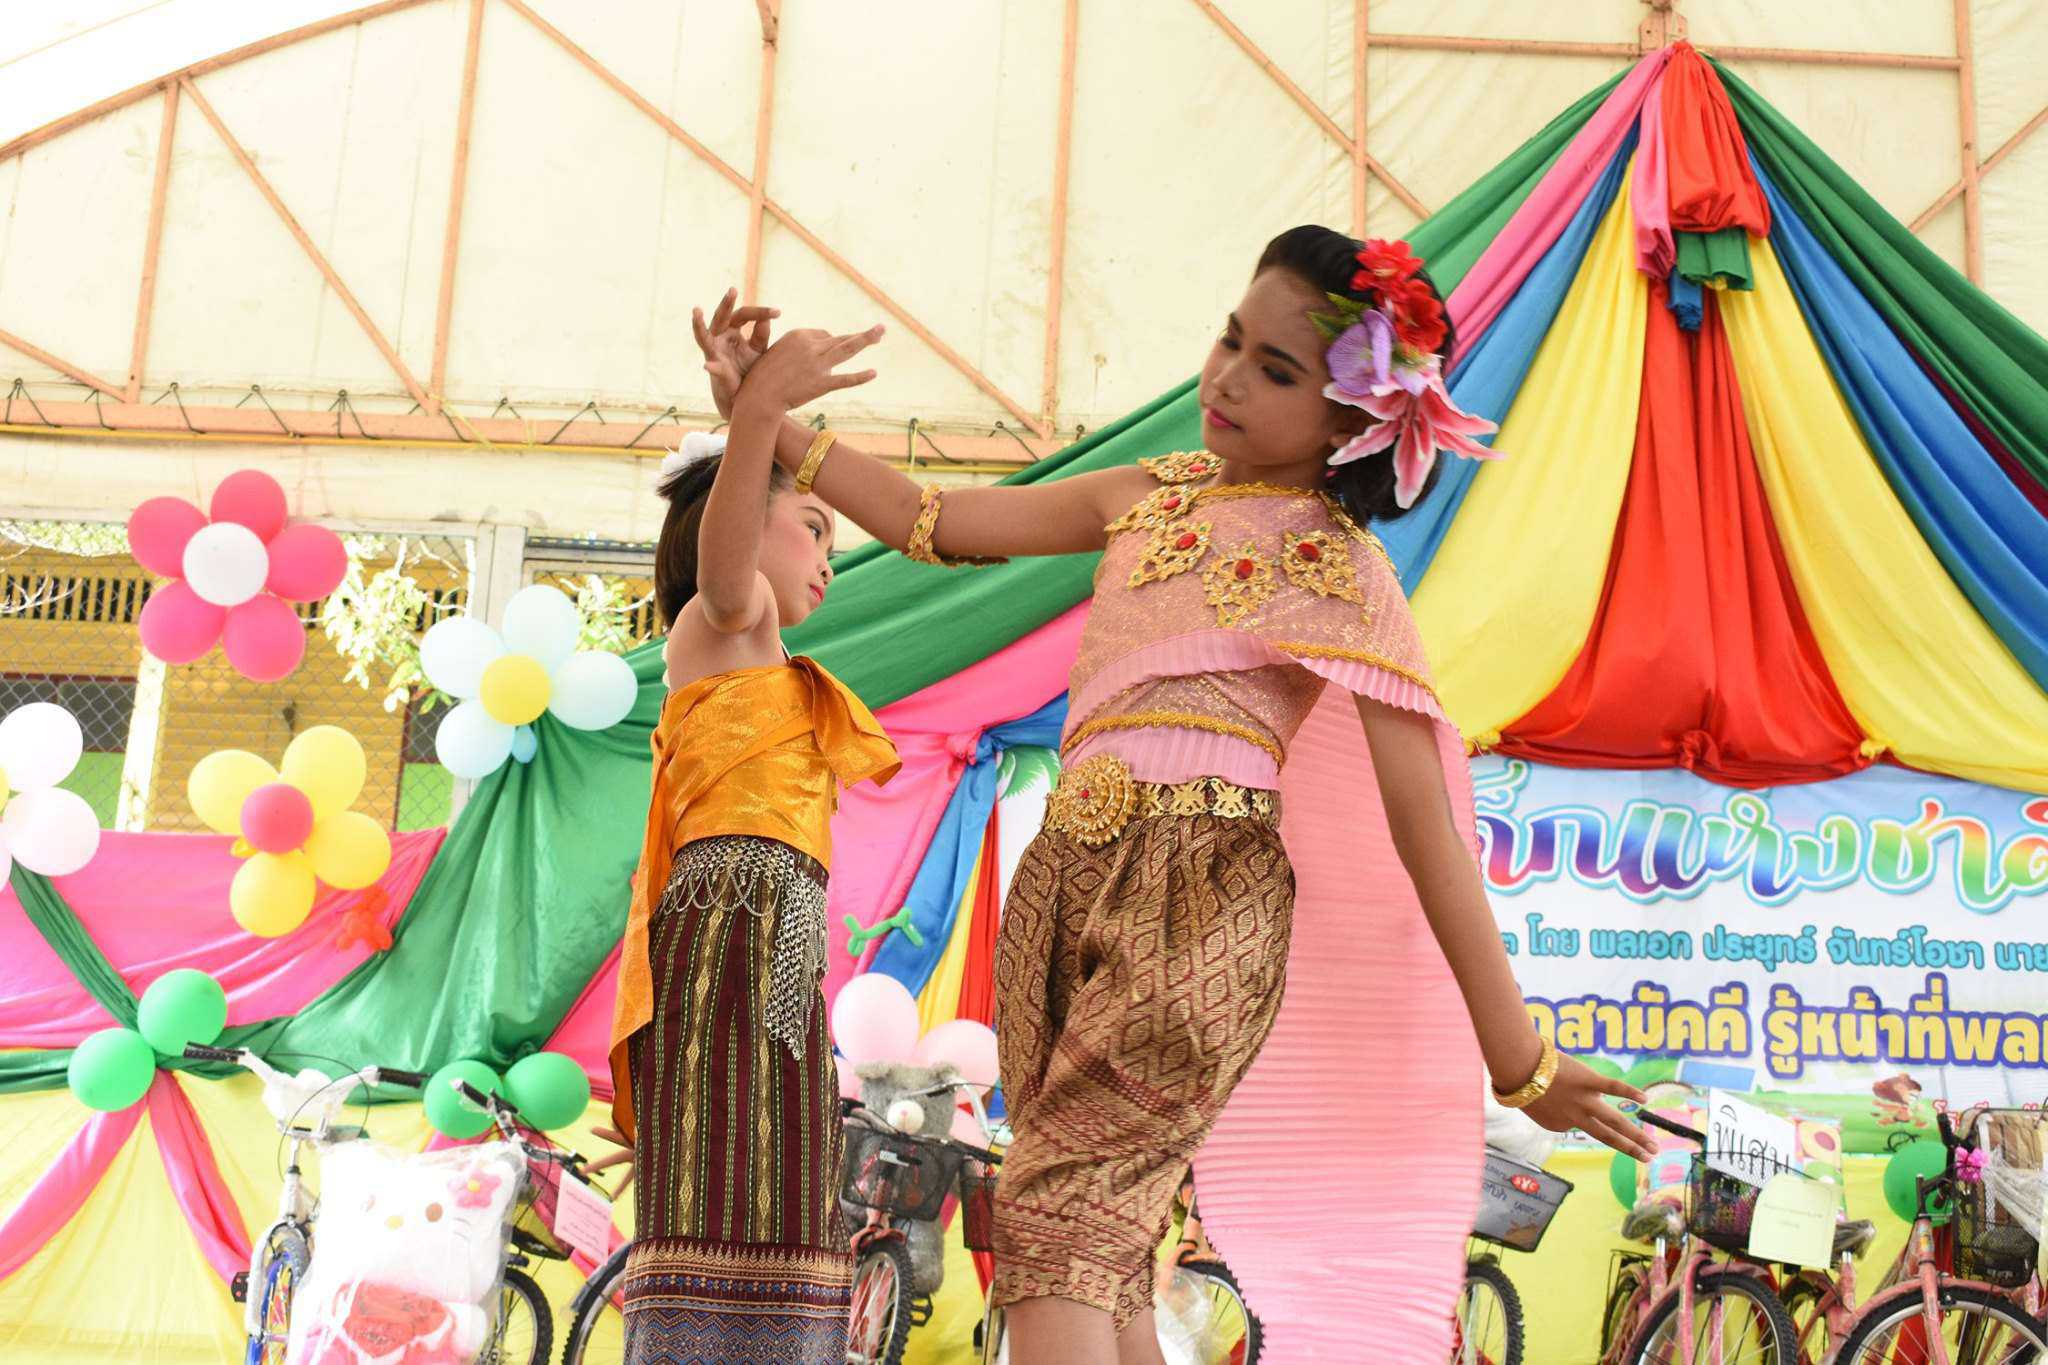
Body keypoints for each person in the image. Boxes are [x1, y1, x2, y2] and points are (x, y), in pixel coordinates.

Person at [697, 228, 1658, 1362]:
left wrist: (1519, 1061)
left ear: (1351, 423)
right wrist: (763, 413)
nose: (1227, 377)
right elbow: (932, 522)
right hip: (1060, 881)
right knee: (1096, 1247)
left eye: (1275, 370)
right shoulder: (1150, 493)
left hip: (1200, 904)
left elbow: (1426, 831)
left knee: (1052, 1223)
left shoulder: (1344, 571)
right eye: (1229, 339)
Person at [605, 330, 898, 1364]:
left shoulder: (759, 655)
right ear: (732, 515)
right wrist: (757, 415)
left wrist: (759, 415)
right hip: (730, 929)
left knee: (779, 1185)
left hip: (772, 942)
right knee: (729, 1192)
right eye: (814, 527)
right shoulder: (723, 620)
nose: (828, 560)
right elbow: (733, 581)